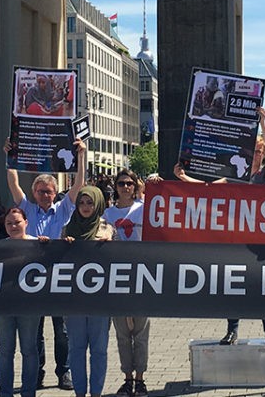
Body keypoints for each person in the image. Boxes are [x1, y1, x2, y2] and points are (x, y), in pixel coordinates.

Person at [174, 106, 265, 345]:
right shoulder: (234, 176)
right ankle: (232, 329)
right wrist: (182, 178)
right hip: (237, 241)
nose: (258, 155)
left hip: (261, 243)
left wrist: (263, 125)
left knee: (264, 286)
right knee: (235, 285)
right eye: (254, 150)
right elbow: (207, 188)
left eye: (260, 151)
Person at [5, 137, 87, 391]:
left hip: (57, 274)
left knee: (61, 330)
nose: (44, 195)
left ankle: (63, 373)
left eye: (48, 192)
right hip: (30, 276)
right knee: (35, 330)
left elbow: (79, 184)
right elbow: (13, 184)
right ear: (34, 193)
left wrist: (81, 156)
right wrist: (11, 158)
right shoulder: (26, 209)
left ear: (54, 194)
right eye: (40, 191)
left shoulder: (63, 209)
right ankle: (37, 372)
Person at [63, 186, 115, 397]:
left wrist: (111, 247)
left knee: (99, 349)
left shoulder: (108, 229)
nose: (85, 207)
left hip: (99, 300)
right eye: (82, 202)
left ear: (98, 204)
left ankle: (96, 393)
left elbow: (119, 263)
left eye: (90, 203)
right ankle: (79, 392)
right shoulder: (67, 229)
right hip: (73, 300)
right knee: (76, 348)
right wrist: (62, 246)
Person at [105, 170, 150, 397]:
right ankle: (127, 378)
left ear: (135, 186)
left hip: (141, 274)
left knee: (140, 331)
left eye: (129, 183)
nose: (125, 187)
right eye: (121, 183)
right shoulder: (107, 213)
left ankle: (140, 379)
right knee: (122, 332)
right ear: (116, 186)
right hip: (117, 277)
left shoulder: (144, 209)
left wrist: (152, 185)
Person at [0, 207, 46, 397]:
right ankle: (5, 392)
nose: (13, 226)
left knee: (29, 349)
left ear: (26, 222)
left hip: (29, 306)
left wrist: (50, 247)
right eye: (9, 223)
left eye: (17, 222)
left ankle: (28, 392)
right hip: (3, 306)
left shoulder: (38, 244)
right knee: (5, 350)